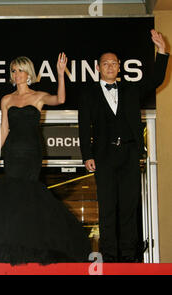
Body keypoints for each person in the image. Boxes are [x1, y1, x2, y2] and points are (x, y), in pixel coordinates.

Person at [0, 53, 91, 264]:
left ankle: (32, 246)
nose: (17, 74)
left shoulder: (38, 96)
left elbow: (60, 99)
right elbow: (4, 129)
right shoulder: (6, 99)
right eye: (13, 70)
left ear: (28, 73)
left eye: (21, 70)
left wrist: (60, 75)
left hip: (32, 151)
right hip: (13, 152)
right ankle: (13, 247)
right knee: (13, 198)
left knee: (30, 196)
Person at [78, 29, 169, 263]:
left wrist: (162, 51)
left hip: (129, 153)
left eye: (114, 63)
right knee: (108, 208)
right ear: (98, 68)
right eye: (105, 63)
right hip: (104, 155)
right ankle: (108, 256)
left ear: (119, 67)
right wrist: (86, 154)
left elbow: (157, 79)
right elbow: (83, 125)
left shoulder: (131, 89)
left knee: (129, 207)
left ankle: (129, 257)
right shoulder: (88, 94)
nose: (110, 66)